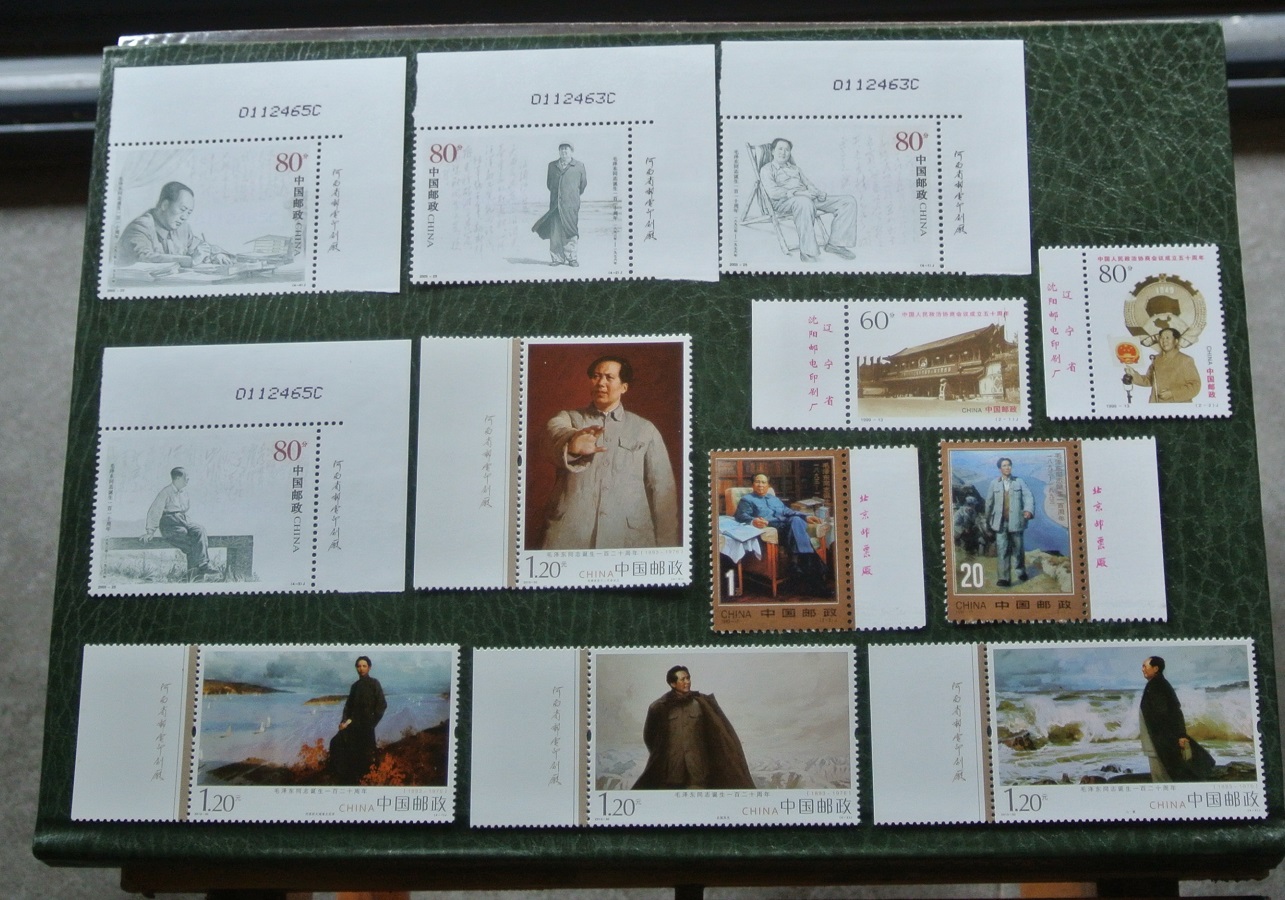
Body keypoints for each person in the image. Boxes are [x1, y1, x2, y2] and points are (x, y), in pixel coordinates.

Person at [542, 355, 679, 550]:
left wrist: (667, 548)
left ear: (624, 387)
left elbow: (663, 491)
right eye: (596, 376)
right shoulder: (569, 418)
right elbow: (553, 431)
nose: (601, 383)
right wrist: (572, 442)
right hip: (571, 536)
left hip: (628, 539)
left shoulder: (645, 429)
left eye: (609, 377)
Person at [632, 665, 754, 790]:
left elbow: (716, 733)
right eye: (683, 679)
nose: (687, 682)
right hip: (671, 772)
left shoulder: (702, 703)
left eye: (688, 678)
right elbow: (650, 737)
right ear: (673, 684)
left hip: (698, 771)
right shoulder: (659, 707)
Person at [758, 138, 858, 263]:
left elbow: (808, 184)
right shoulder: (767, 169)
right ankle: (807, 251)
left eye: (787, 150)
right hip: (784, 202)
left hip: (807, 198)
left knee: (848, 201)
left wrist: (818, 192)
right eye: (780, 149)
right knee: (804, 203)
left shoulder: (795, 169)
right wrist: (799, 193)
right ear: (773, 151)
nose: (783, 152)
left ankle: (836, 244)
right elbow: (773, 193)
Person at [734, 473, 827, 593]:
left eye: (764, 482)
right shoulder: (747, 499)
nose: (760, 485)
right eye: (757, 482)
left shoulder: (774, 499)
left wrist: (806, 517)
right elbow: (740, 516)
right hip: (774, 529)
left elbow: (787, 511)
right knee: (796, 522)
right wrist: (753, 521)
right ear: (753, 484)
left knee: (797, 519)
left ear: (768, 485)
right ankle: (816, 574)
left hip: (788, 527)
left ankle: (795, 563)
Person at [116, 181, 231, 267]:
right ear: (165, 205)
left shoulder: (182, 228)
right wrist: (190, 261)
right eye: (182, 209)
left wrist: (215, 254)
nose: (185, 217)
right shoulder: (140, 227)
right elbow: (144, 258)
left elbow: (199, 245)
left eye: (189, 213)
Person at [1139, 656, 1213, 782]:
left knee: (1161, 778)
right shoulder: (1157, 684)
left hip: (1159, 741)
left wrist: (1180, 735)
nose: (1142, 669)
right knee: (1165, 775)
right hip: (1158, 740)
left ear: (1155, 668)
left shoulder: (1157, 685)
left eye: (1145, 666)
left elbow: (1172, 712)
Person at [142, 466, 221, 580]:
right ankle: (194, 576)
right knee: (186, 536)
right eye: (185, 478)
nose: (188, 480)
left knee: (199, 530)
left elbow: (184, 509)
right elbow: (155, 511)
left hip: (182, 519)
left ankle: (203, 564)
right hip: (169, 522)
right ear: (178, 479)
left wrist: (184, 519)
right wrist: (150, 531)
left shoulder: (184, 492)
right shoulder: (165, 492)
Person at [329, 655, 388, 785]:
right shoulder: (354, 686)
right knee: (336, 742)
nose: (361, 669)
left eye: (364, 666)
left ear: (369, 668)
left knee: (365, 755)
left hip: (367, 726)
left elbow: (382, 705)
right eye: (359, 666)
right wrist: (343, 722)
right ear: (356, 668)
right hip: (353, 725)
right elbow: (348, 707)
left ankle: (368, 780)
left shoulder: (374, 683)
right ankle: (345, 778)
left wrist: (372, 723)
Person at [532, 143, 587, 267]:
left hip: (571, 205)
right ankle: (557, 258)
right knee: (555, 232)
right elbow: (549, 184)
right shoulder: (552, 166)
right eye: (561, 149)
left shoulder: (579, 166)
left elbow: (582, 185)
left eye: (566, 149)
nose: (564, 151)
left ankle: (572, 258)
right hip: (555, 205)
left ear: (571, 151)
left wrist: (570, 195)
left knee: (571, 230)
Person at [983, 456, 1034, 588]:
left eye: (1009, 465)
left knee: (1018, 549)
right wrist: (988, 520)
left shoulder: (1019, 481)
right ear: (1000, 468)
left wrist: (1028, 510)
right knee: (1002, 550)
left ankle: (1020, 572)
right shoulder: (994, 483)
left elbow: (1028, 496)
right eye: (1004, 465)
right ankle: (1003, 578)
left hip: (1016, 522)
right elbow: (989, 502)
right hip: (1000, 523)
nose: (1007, 467)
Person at [1124, 327, 1201, 403]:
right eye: (1162, 338)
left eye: (1167, 338)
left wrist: (1172, 393)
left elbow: (1195, 386)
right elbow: (1149, 380)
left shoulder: (1185, 360)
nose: (1164, 341)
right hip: (1156, 405)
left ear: (1176, 341)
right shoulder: (1156, 359)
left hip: (1178, 407)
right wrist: (1133, 374)